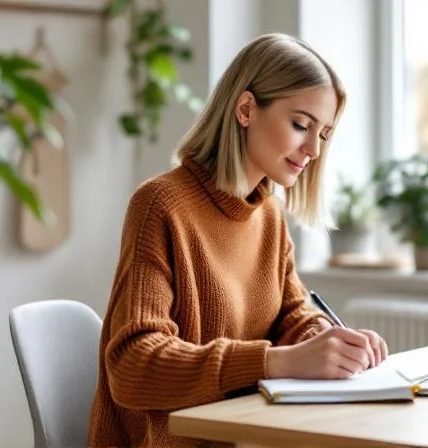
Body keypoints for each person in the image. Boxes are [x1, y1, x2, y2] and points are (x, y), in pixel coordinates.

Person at [87, 33, 389, 448]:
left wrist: (330, 343)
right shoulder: (160, 205)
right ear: (246, 109)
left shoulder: (268, 215)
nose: (314, 149)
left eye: (323, 134)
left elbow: (292, 315)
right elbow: (133, 365)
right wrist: (273, 362)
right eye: (301, 124)